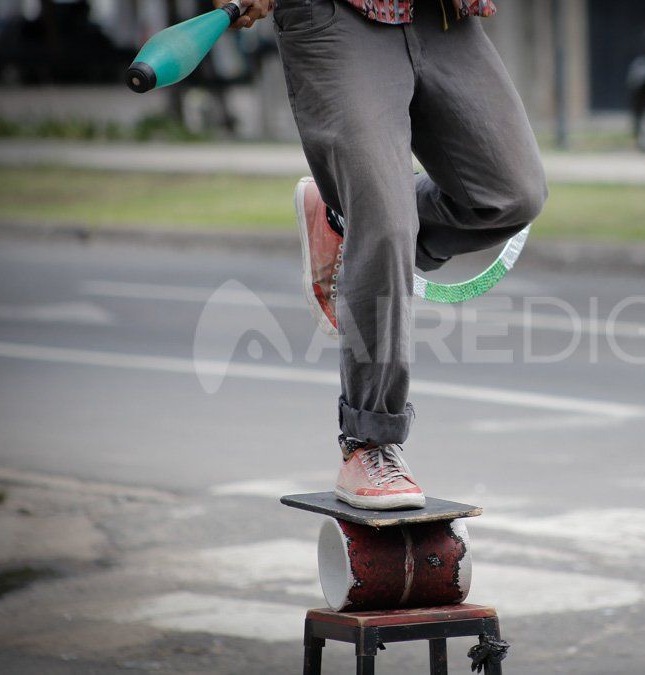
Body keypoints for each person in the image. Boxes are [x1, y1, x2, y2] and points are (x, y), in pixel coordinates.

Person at [223, 0, 547, 510]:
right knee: (386, 221)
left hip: (440, 14)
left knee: (510, 196)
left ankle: (344, 221)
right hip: (337, 15)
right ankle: (369, 441)